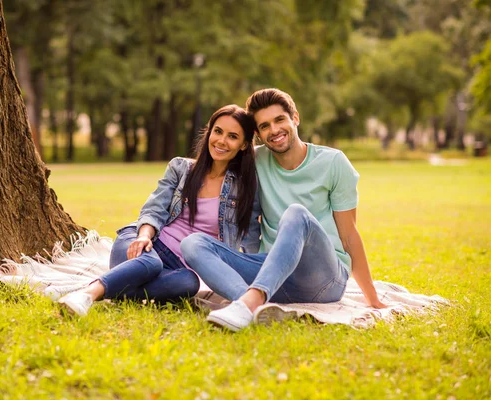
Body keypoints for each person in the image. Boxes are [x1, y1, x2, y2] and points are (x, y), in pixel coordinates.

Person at [181, 88, 387, 331]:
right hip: (275, 278)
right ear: (257, 133)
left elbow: (349, 235)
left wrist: (372, 298)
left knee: (296, 214)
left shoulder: (333, 162)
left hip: (325, 279)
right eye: (265, 126)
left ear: (295, 118)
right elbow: (246, 220)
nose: (274, 130)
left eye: (280, 120)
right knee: (193, 244)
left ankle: (248, 302)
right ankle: (255, 307)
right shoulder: (255, 162)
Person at [58, 104, 261, 316]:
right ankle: (88, 294)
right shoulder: (180, 168)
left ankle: (91, 288)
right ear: (209, 132)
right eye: (217, 131)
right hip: (143, 242)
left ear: (244, 145)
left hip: (178, 269)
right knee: (150, 262)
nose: (221, 141)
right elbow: (154, 209)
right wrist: (144, 237)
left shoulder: (245, 189)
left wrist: (258, 285)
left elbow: (251, 241)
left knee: (189, 284)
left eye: (232, 136)